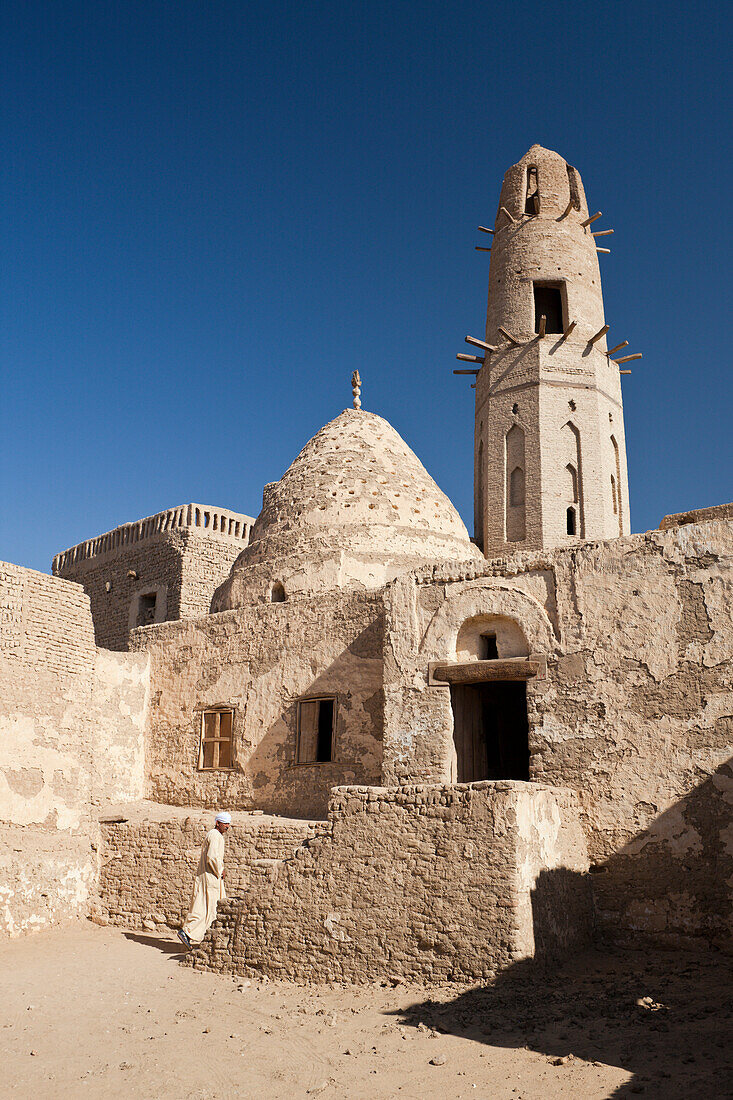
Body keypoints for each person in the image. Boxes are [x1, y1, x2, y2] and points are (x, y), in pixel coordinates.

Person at [177, 812, 231, 949]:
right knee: (205, 908)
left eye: (228, 824)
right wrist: (220, 870)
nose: (227, 826)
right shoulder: (214, 835)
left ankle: (203, 939)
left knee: (210, 909)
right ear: (218, 823)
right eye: (225, 823)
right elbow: (212, 857)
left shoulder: (215, 835)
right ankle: (187, 932)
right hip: (210, 877)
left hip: (211, 877)